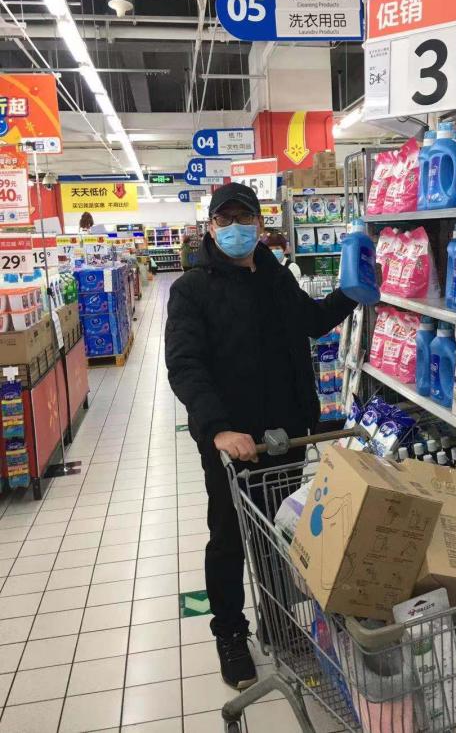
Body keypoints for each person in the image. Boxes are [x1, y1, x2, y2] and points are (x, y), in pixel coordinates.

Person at [165, 182, 356, 690]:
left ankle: (278, 620)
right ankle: (230, 633)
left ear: (260, 225)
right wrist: (218, 429)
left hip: (286, 437)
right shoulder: (192, 290)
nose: (235, 228)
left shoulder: (276, 276)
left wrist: (350, 294)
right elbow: (184, 365)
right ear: (210, 228)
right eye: (224, 220)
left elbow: (311, 322)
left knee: (276, 533)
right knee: (229, 538)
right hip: (233, 445)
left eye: (243, 218)